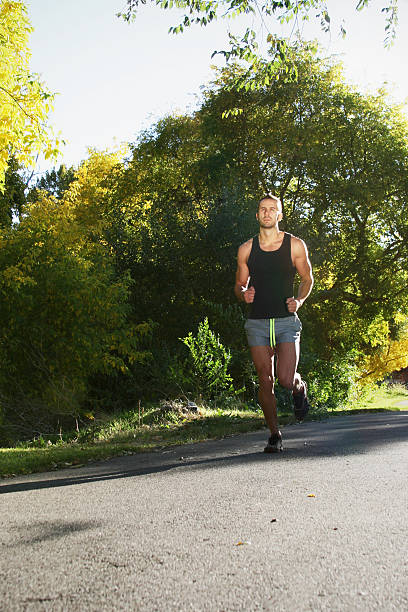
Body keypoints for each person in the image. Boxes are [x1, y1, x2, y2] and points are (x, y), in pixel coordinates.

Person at [234, 195, 314, 453]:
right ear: (257, 215)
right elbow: (239, 285)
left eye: (273, 210)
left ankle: (298, 385)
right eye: (262, 210)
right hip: (257, 322)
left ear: (280, 216)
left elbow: (307, 279)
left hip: (285, 322)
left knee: (284, 380)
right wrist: (243, 293)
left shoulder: (295, 246)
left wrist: (299, 301)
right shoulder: (246, 249)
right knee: (264, 380)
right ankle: (274, 434)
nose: (267, 214)